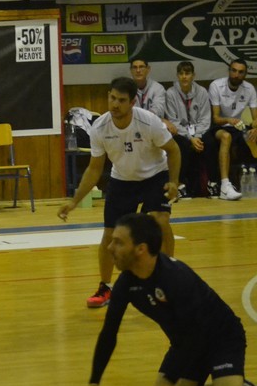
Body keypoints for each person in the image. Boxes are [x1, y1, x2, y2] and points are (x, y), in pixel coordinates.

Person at [88, 213, 257, 386]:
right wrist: (94, 383)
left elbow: (196, 332)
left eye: (119, 242)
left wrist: (168, 381)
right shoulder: (126, 283)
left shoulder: (176, 277)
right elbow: (109, 333)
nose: (110, 247)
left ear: (141, 249)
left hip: (221, 339)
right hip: (186, 344)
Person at [58, 77, 180, 309]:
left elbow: (174, 151)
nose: (115, 104)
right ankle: (105, 287)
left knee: (160, 220)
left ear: (132, 102)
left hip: (155, 175)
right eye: (112, 98)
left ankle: (168, 280)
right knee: (110, 235)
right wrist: (74, 201)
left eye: (121, 100)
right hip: (122, 180)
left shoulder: (149, 122)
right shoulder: (99, 128)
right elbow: (94, 169)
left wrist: (173, 182)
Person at [204, 59, 257, 201]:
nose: (236, 75)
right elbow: (215, 118)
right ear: (229, 71)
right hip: (219, 126)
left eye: (240, 72)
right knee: (226, 137)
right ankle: (225, 186)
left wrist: (255, 128)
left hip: (239, 126)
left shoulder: (249, 88)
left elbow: (255, 118)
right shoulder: (216, 85)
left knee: (253, 136)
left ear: (245, 74)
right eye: (233, 70)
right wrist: (229, 120)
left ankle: (251, 179)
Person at [163, 61, 210, 198]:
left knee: (211, 143)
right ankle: (179, 184)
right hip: (180, 133)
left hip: (199, 132)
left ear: (193, 75)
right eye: (181, 73)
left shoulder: (202, 92)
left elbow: (205, 119)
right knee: (182, 144)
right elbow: (172, 121)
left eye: (187, 73)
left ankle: (212, 183)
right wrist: (191, 138)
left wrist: (197, 136)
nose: (184, 77)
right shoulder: (170, 93)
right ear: (177, 75)